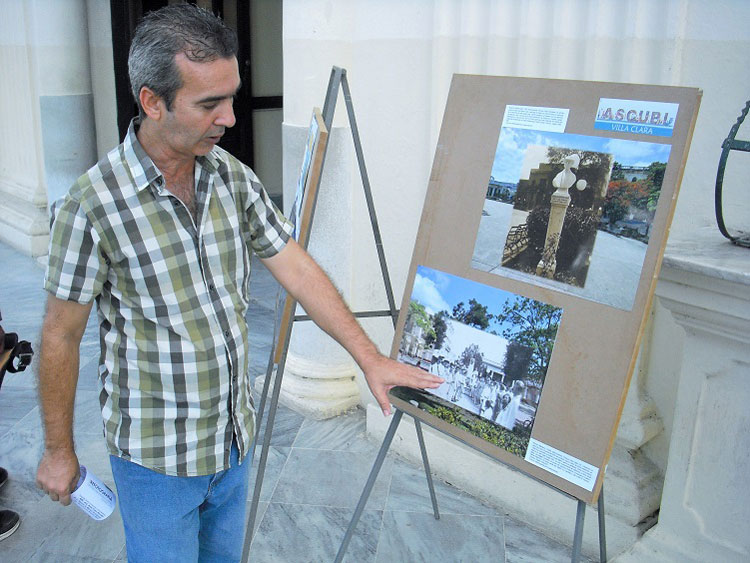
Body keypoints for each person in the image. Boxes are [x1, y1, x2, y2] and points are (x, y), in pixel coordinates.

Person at [34, 4, 442, 561]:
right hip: (156, 460)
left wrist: (369, 358)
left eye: (231, 97)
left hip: (233, 441)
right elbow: (60, 336)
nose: (230, 117)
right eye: (209, 103)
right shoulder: (92, 204)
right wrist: (59, 450)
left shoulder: (230, 176)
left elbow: (295, 265)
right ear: (152, 101)